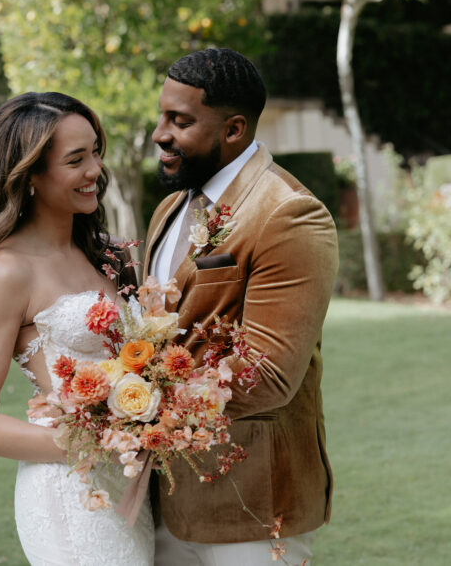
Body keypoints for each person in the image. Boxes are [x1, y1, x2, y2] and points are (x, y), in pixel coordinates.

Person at [144, 48, 339, 565]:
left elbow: (269, 373)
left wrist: (134, 400)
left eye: (179, 121)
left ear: (233, 129)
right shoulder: (169, 208)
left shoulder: (288, 213)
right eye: (161, 115)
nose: (160, 134)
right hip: (165, 498)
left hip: (255, 503)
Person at [0, 92, 153, 565]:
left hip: (132, 488)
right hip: (70, 495)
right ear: (31, 176)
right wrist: (94, 441)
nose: (95, 171)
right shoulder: (8, 273)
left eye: (96, 152)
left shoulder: (107, 256)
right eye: (76, 159)